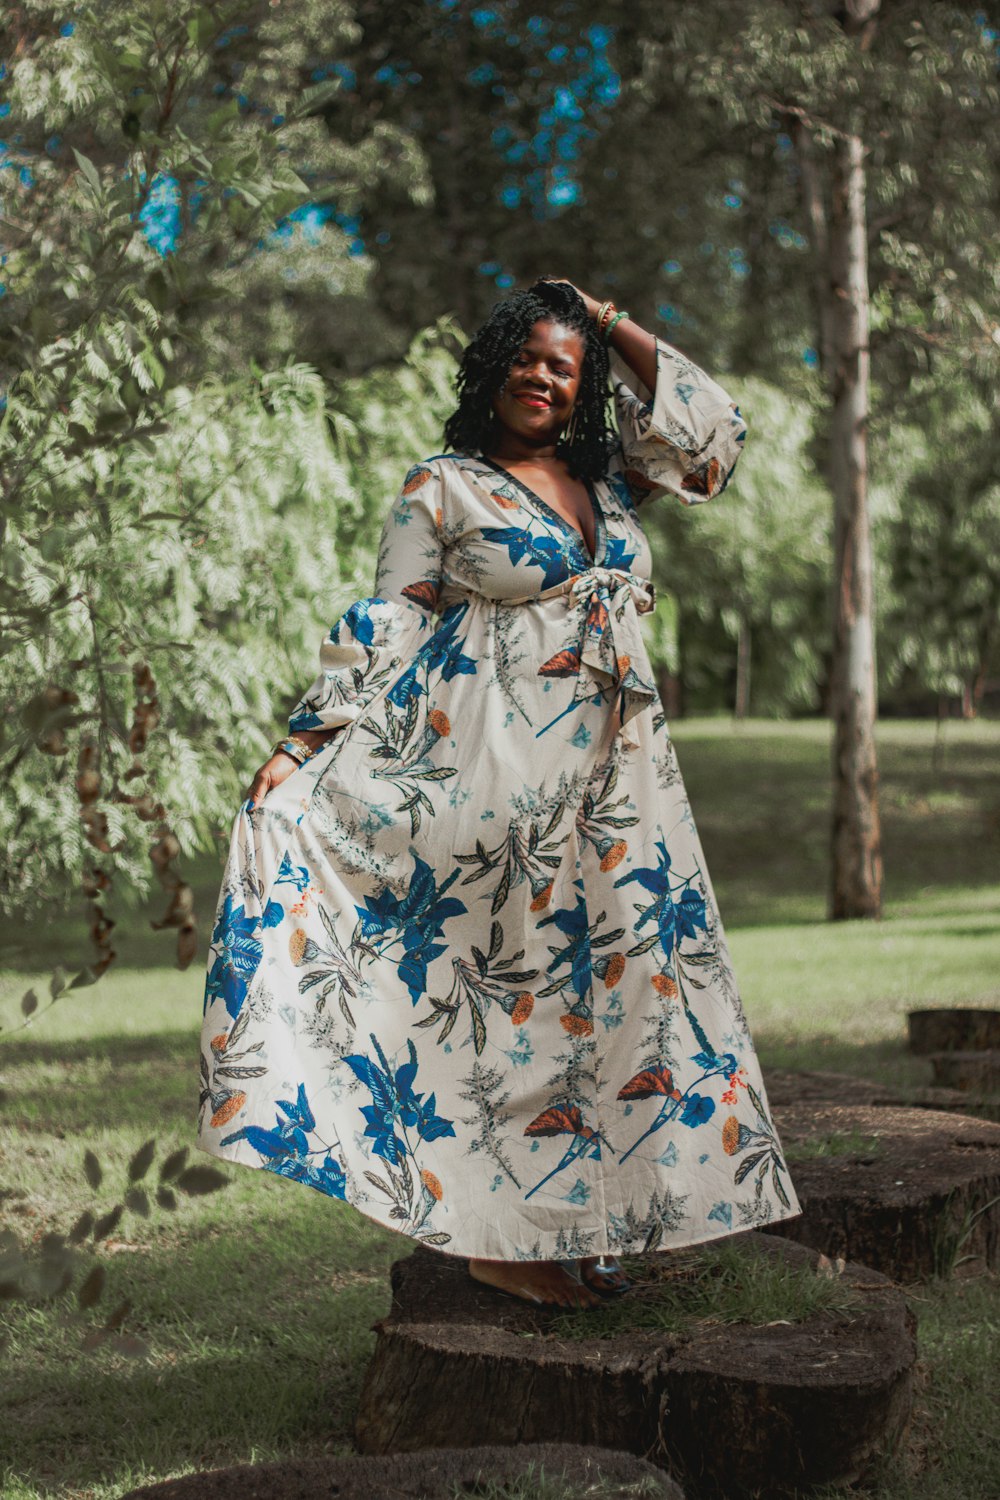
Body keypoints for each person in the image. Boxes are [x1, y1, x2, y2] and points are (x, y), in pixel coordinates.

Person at [197, 277, 801, 1310]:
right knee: (514, 1011)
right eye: (527, 357)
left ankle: (586, 1222)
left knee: (618, 1002)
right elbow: (388, 618)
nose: (542, 375)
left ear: (582, 388)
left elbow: (713, 436)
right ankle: (501, 1245)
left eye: (563, 366)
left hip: (617, 788)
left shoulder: (610, 486)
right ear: (495, 369)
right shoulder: (444, 486)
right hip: (497, 778)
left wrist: (604, 318)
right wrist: (304, 747)